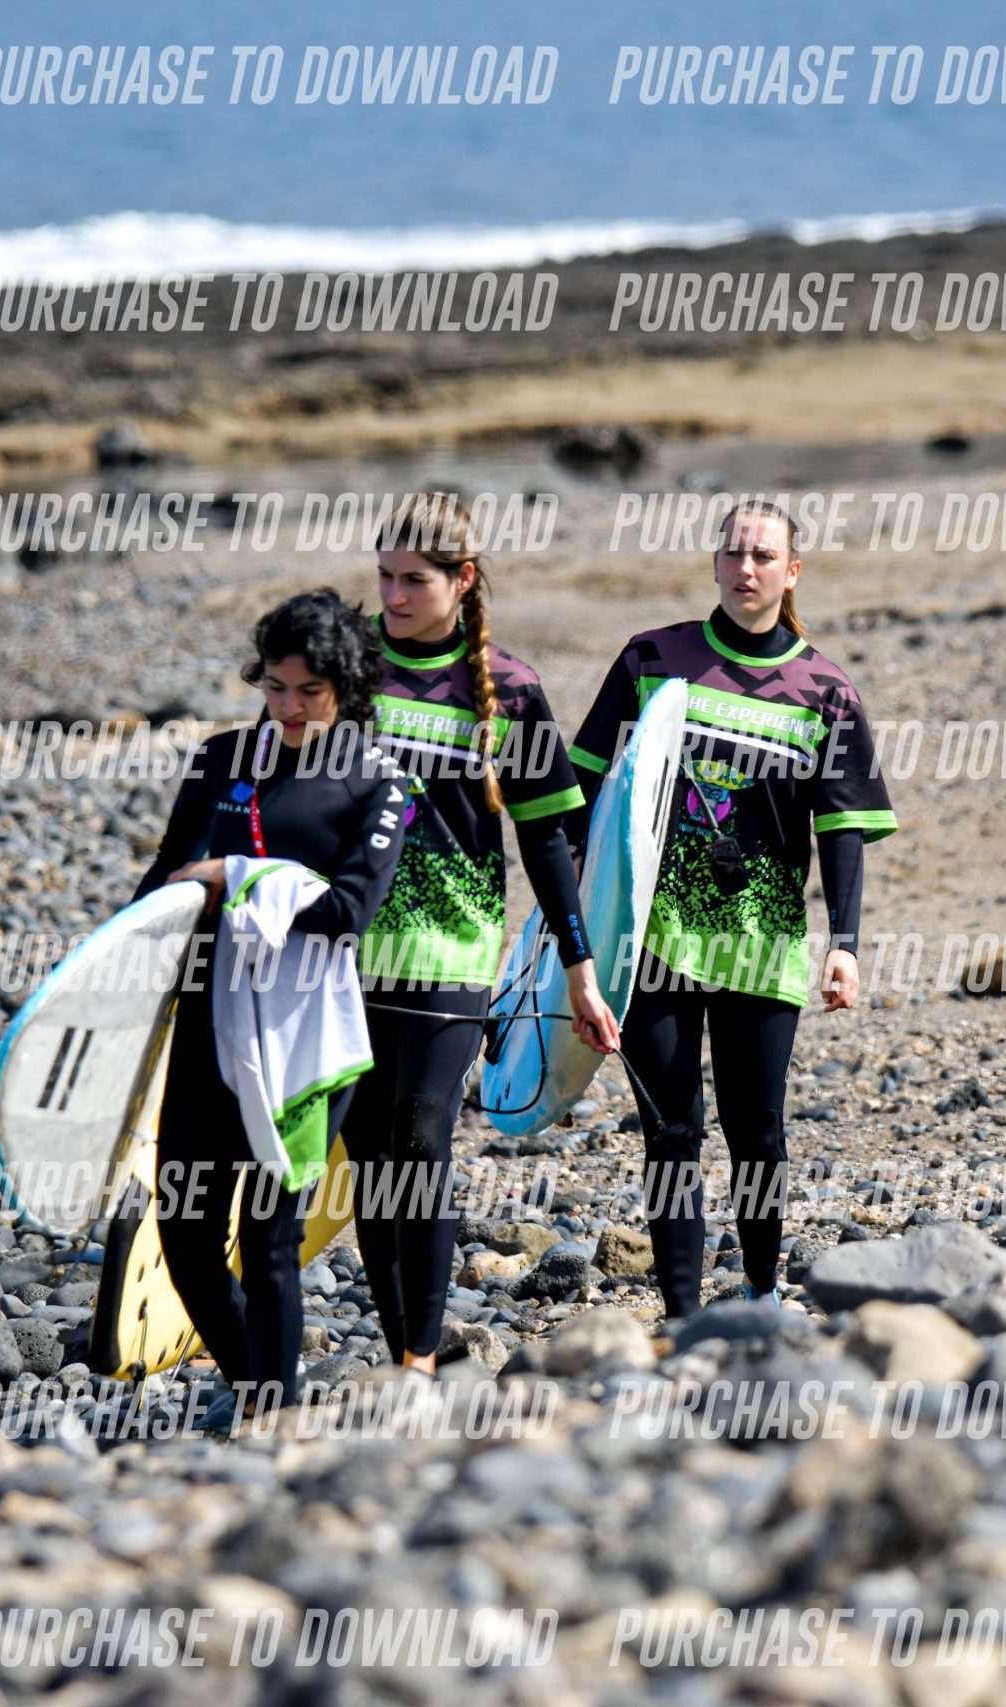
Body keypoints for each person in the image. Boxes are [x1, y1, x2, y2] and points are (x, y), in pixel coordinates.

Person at [570, 500, 897, 1321]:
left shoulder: (825, 691)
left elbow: (841, 827)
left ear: (792, 572)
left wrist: (845, 942)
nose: (746, 568)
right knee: (671, 1130)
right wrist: (572, 908)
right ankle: (681, 1314)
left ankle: (760, 1290)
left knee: (758, 1132)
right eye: (733, 553)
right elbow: (582, 780)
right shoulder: (654, 658)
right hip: (656, 940)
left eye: (764, 556)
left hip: (764, 942)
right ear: (716, 563)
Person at [354, 493, 621, 1373]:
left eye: (414, 580)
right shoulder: (347, 670)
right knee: (370, 1155)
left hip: (452, 947)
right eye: (384, 576)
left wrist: (578, 966)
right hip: (347, 950)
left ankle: (420, 1357)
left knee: (423, 1135)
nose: (394, 595)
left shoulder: (511, 689)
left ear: (463, 579)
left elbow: (545, 837)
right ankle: (399, 1340)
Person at [136, 589, 408, 1420]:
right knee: (185, 1233)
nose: (288, 707)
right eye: (275, 687)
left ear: (345, 689)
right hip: (208, 1023)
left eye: (308, 692)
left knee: (268, 1238)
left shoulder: (377, 781)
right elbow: (162, 884)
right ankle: (261, 1388)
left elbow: (348, 911)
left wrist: (237, 877)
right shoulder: (221, 760)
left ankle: (272, 1415)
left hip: (305, 1039)